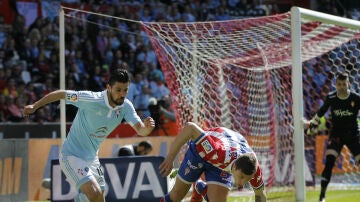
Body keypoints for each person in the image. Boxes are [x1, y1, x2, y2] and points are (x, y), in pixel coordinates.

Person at [23, 69, 155, 202]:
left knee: (99, 197)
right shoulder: (91, 99)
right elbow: (61, 94)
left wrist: (147, 128)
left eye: (125, 90)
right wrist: (35, 106)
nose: (122, 94)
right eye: (118, 90)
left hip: (92, 158)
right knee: (95, 193)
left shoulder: (126, 107)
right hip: (72, 155)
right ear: (108, 87)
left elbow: (140, 129)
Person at [159, 122, 266, 202]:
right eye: (242, 177)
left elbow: (260, 195)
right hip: (201, 152)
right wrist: (170, 158)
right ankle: (199, 185)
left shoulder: (254, 169)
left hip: (225, 155)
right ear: (235, 167)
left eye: (246, 179)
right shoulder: (216, 152)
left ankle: (201, 186)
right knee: (176, 196)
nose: (242, 183)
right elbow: (190, 128)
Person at [305, 72, 360, 202]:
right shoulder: (331, 97)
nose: (341, 87)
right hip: (336, 135)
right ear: (335, 85)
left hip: (353, 135)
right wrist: (312, 124)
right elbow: (321, 112)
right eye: (339, 84)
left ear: (348, 84)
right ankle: (322, 196)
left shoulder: (356, 98)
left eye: (344, 84)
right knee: (329, 162)